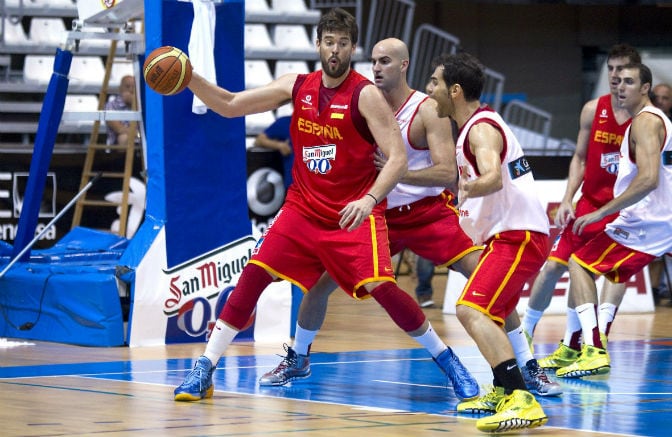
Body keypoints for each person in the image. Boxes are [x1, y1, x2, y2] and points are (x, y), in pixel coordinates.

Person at [172, 9, 478, 403]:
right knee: (253, 276)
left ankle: (450, 363)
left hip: (350, 214)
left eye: (343, 43)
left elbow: (397, 158)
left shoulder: (366, 95)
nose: (335, 50)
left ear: (353, 48)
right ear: (318, 44)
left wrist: (370, 200)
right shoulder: (296, 85)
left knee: (383, 288)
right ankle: (204, 369)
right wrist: (191, 77)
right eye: (329, 41)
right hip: (302, 209)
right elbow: (230, 104)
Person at [258, 38, 559, 400]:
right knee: (320, 285)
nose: (376, 68)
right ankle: (299, 356)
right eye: (373, 61)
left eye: (385, 61)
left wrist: (401, 175)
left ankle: (527, 365)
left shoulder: (427, 109)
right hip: (380, 214)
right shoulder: (358, 101)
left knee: (484, 277)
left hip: (428, 212)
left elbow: (448, 172)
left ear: (403, 65)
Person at [427, 52, 550, 432]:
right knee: (489, 313)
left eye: (435, 82)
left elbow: (493, 177)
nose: (430, 90)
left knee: (471, 311)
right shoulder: (473, 127)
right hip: (508, 235)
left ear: (456, 91)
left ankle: (520, 398)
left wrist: (467, 186)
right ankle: (502, 387)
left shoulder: (480, 129)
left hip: (520, 235)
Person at [521, 44, 641, 369]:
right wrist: (567, 199)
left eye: (623, 70)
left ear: (636, 74)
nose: (616, 76)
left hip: (622, 212)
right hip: (587, 208)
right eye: (612, 69)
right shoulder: (593, 109)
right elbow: (579, 157)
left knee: (608, 275)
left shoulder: (646, 119)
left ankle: (589, 343)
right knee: (552, 269)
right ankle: (526, 336)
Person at [556, 62, 672, 378]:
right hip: (660, 220)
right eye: (618, 81)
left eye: (630, 82)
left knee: (579, 264)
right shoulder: (652, 121)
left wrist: (602, 211)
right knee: (604, 272)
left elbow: (648, 179)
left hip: (649, 221)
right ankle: (579, 342)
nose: (621, 87)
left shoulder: (646, 122)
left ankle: (592, 349)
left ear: (646, 88)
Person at [648, 82, 672, 304]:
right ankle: (654, 292)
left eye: (666, 98)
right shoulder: (645, 123)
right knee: (655, 253)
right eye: (659, 97)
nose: (662, 102)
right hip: (655, 196)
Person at [254, 115, 293, 188]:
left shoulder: (318, 123)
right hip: (294, 184)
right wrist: (279, 145)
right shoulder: (286, 122)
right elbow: (259, 140)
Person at [104, 75, 137, 147]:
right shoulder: (111, 105)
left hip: (137, 138)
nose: (131, 90)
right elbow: (119, 129)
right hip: (118, 144)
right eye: (127, 87)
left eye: (134, 87)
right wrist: (137, 134)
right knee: (123, 137)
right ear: (120, 88)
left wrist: (135, 104)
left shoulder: (141, 105)